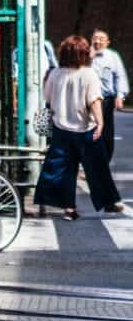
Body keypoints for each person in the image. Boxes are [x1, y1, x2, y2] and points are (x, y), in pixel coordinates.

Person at [35, 34, 122, 220]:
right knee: (97, 168)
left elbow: (48, 98)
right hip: (85, 129)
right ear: (82, 53)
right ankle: (108, 202)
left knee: (65, 170)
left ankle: (69, 208)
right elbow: (94, 101)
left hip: (61, 129)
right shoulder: (88, 73)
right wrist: (100, 122)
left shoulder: (54, 74)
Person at [90, 28, 129, 161]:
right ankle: (89, 163)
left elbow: (120, 76)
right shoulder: (85, 55)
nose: (98, 41)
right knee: (89, 131)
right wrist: (89, 57)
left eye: (101, 38)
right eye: (95, 38)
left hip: (106, 100)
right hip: (88, 100)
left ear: (107, 42)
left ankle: (105, 160)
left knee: (106, 132)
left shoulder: (113, 56)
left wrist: (120, 95)